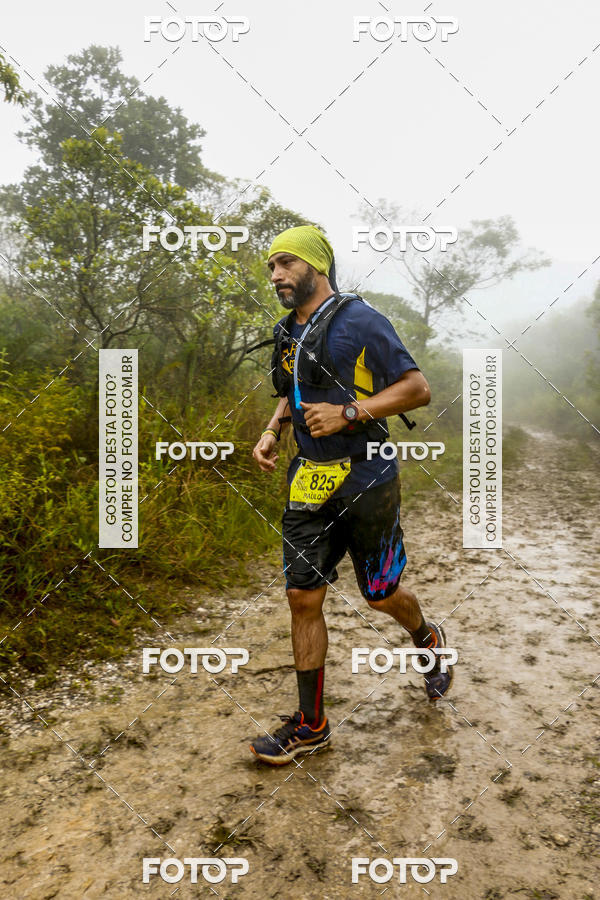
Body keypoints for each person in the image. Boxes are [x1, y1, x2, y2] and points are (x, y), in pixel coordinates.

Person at [249, 225, 453, 765]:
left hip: (368, 477)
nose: (276, 276)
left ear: (318, 265)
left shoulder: (360, 319)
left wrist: (350, 412)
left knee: (380, 594)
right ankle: (311, 724)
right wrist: (273, 430)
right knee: (302, 596)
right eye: (272, 267)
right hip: (309, 477)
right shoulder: (287, 331)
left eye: (287, 264)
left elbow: (417, 388)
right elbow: (291, 391)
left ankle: (427, 637)